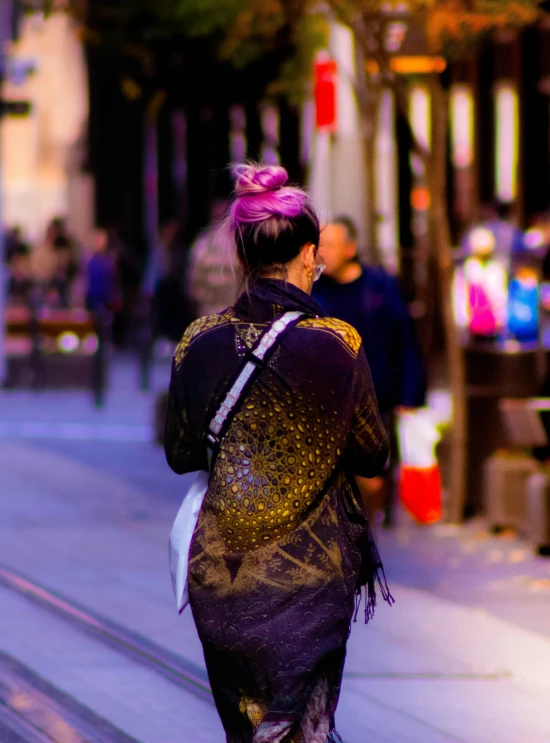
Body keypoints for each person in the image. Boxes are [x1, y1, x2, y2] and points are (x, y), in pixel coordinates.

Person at [164, 163, 392, 743]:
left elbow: (181, 452)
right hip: (311, 583)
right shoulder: (336, 344)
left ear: (241, 259)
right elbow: (373, 455)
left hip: (222, 578)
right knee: (301, 733)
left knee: (247, 734)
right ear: (310, 253)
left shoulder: (199, 340)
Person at [313, 216, 426, 523]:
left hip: (377, 393)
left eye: (331, 245)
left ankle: (368, 522)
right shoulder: (314, 291)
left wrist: (411, 392)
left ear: (351, 248)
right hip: (330, 399)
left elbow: (403, 339)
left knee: (373, 473)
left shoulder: (380, 286)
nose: (323, 253)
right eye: (320, 246)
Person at [186, 199, 239, 318]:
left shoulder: (204, 241)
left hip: (213, 312)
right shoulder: (242, 240)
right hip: (230, 312)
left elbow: (193, 278)